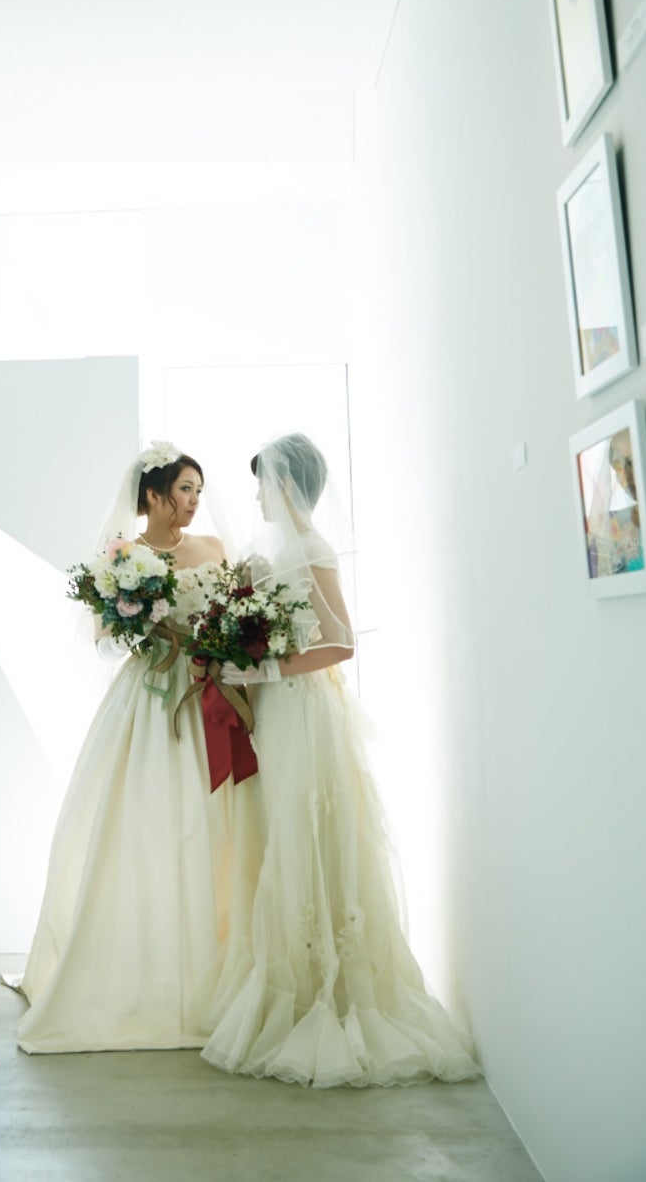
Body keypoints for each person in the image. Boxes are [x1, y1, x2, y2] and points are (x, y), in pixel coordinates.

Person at [202, 433, 479, 1087]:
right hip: (279, 708)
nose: (256, 496)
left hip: (303, 711)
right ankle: (292, 980)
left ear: (288, 486)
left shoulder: (309, 549)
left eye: (263, 483)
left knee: (308, 836)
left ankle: (326, 993)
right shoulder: (273, 550)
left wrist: (261, 667)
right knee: (287, 838)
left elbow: (343, 642)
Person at [10, 442, 264, 1053]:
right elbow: (106, 635)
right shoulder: (125, 558)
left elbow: (233, 613)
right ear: (152, 495)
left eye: (200, 492)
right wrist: (141, 627)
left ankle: (212, 969)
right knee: (142, 826)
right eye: (184, 491)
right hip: (150, 698)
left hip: (208, 693)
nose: (195, 503)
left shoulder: (215, 550)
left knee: (210, 828)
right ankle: (141, 969)